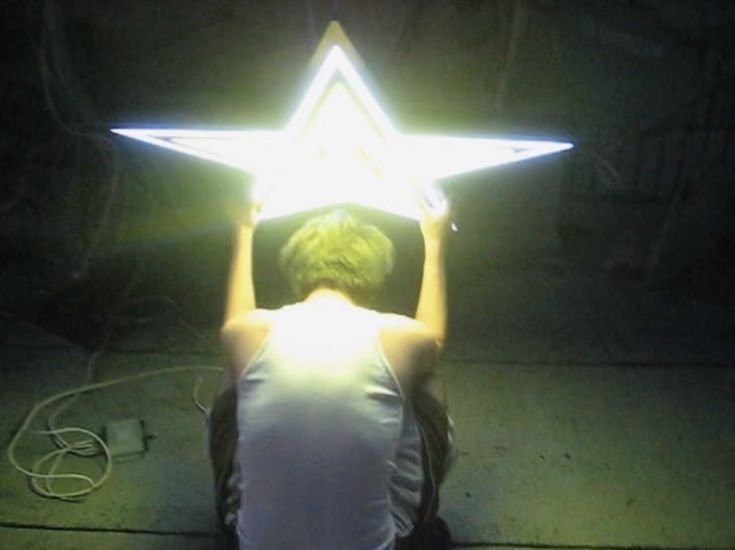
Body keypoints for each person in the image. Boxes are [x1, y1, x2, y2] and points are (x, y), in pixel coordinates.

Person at [207, 191, 454, 549]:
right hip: (381, 544)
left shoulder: (248, 331)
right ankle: (421, 520)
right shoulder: (399, 336)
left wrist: (242, 231)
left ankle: (238, 506)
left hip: (253, 543)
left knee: (233, 377)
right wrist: (434, 240)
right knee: (427, 382)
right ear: (376, 274)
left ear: (295, 269)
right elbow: (434, 340)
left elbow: (235, 323)